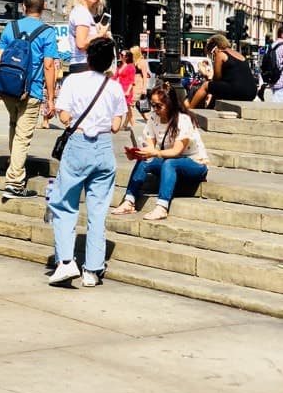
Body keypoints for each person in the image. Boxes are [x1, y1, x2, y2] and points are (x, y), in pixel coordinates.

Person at [47, 37, 125, 287]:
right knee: (98, 209)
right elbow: (116, 126)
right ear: (110, 61)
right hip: (103, 148)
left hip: (78, 145)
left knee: (64, 203)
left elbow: (65, 117)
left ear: (88, 58)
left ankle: (67, 262)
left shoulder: (73, 81)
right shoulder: (113, 87)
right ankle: (92, 269)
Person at [0, 0, 58, 199]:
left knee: (14, 127)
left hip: (8, 89)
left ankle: (14, 168)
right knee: (23, 136)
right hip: (32, 90)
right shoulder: (48, 32)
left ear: (23, 7)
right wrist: (51, 98)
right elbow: (49, 66)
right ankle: (14, 183)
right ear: (43, 7)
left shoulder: (11, 27)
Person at [112, 86, 209, 221]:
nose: (155, 109)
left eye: (159, 106)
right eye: (153, 105)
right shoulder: (153, 118)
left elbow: (176, 151)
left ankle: (162, 207)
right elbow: (150, 148)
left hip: (195, 164)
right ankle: (129, 200)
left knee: (170, 163)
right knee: (146, 161)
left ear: (170, 104)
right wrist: (139, 154)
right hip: (168, 161)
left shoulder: (183, 120)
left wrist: (155, 153)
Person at [187, 34, 257, 110]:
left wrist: (210, 80)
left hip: (238, 90)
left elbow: (217, 78)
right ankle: (209, 108)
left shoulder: (220, 54)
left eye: (212, 53)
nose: (214, 56)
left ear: (215, 48)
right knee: (217, 87)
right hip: (252, 92)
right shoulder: (239, 55)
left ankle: (190, 110)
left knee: (206, 85)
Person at [66, 0, 111, 74]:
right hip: (83, 65)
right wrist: (100, 34)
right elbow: (81, 43)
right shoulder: (82, 12)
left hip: (84, 65)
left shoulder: (85, 13)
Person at [113, 49, 136, 130]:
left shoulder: (131, 67)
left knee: (127, 107)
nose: (120, 56)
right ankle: (126, 124)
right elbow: (114, 77)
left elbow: (132, 80)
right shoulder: (120, 66)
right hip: (120, 89)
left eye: (122, 55)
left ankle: (132, 124)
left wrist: (128, 91)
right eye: (120, 54)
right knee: (126, 107)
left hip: (127, 89)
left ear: (126, 57)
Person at [130, 45, 150, 120]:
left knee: (132, 104)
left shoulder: (142, 62)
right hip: (133, 84)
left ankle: (125, 124)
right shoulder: (133, 62)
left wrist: (144, 88)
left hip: (139, 84)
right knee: (134, 104)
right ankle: (147, 119)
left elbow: (145, 76)